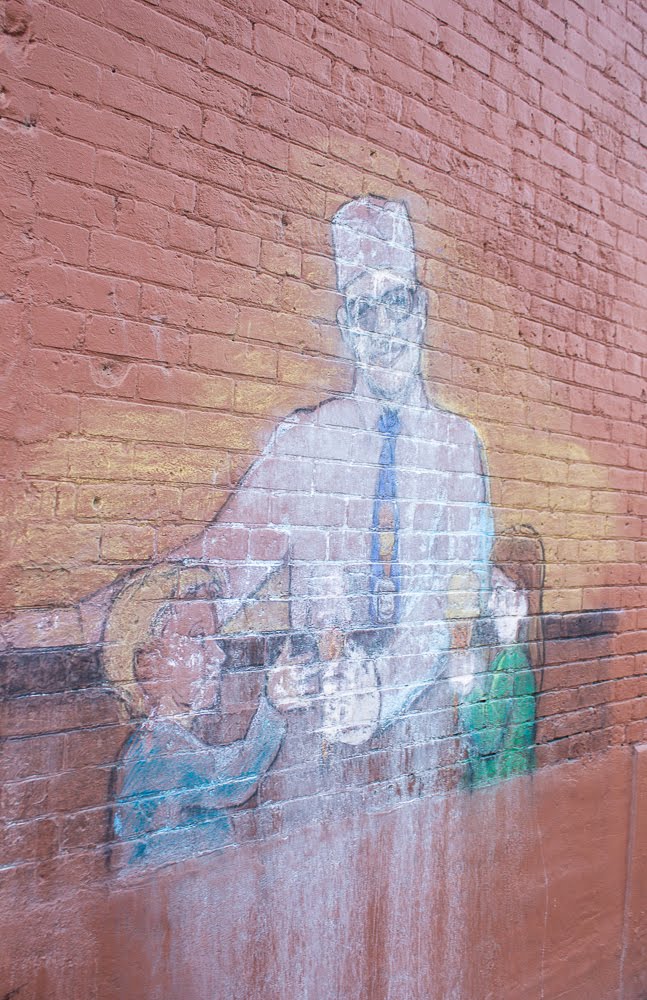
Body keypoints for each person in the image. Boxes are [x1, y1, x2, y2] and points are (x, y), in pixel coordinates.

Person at [107, 566, 285, 870]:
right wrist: (275, 705)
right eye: (198, 637)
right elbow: (234, 781)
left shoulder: (169, 743)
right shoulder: (156, 753)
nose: (219, 655)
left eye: (215, 638)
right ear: (147, 663)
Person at [458, 526, 545, 787]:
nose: (491, 604)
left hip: (498, 790)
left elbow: (486, 741)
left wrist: (467, 689)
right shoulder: (510, 660)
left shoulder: (512, 663)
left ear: (522, 598)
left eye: (499, 590)